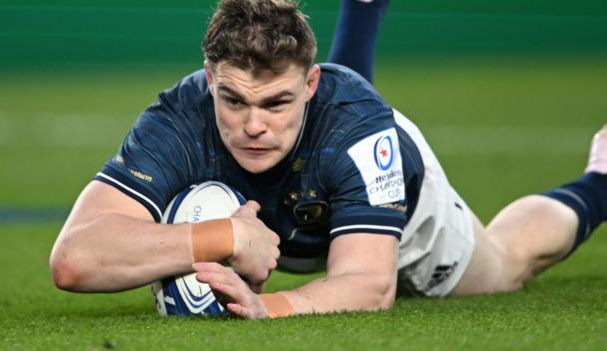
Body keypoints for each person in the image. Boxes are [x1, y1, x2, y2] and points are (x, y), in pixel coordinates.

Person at [49, 0, 607, 319]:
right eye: (233, 99)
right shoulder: (180, 114)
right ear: (210, 78)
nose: (253, 125)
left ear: (309, 83)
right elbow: (74, 258)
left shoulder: (362, 131)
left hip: (392, 201)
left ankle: (600, 179)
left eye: (277, 101)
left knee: (508, 265)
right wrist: (222, 238)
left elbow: (368, 283)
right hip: (280, 205)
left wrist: (273, 309)